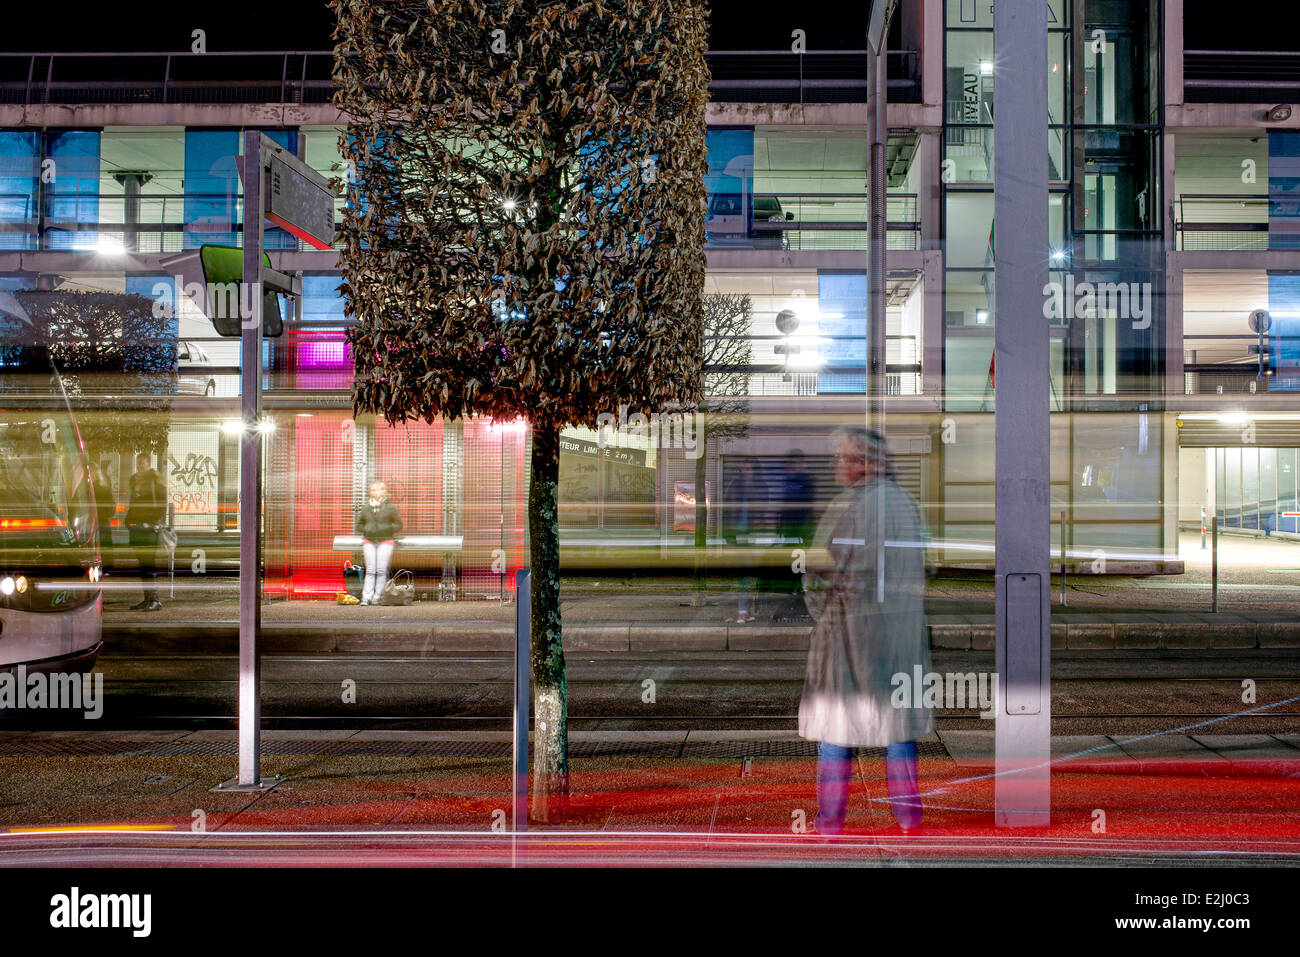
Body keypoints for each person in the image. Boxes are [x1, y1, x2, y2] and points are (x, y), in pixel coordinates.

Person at [799, 426, 933, 835]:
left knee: (838, 731)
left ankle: (830, 821)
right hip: (898, 636)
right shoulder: (907, 506)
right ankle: (908, 817)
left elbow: (820, 575)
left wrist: (826, 617)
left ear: (865, 462)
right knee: (896, 730)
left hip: (849, 635)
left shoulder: (847, 507)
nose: (838, 464)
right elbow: (920, 569)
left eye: (845, 457)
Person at [126, 453, 167, 611]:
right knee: (143, 565)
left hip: (148, 528)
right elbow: (133, 503)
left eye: (142, 463)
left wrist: (151, 521)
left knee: (149, 564)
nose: (140, 466)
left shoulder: (154, 481)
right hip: (137, 528)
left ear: (149, 464)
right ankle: (147, 598)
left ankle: (155, 599)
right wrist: (129, 521)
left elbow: (161, 504)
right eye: (138, 463)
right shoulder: (135, 481)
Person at [355, 479, 402, 606]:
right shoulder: (366, 509)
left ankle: (377, 597)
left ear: (385, 491)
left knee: (381, 570)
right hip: (369, 541)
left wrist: (386, 530)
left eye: (380, 489)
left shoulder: (390, 508)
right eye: (374, 489)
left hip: (386, 541)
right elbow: (359, 525)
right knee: (370, 570)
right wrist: (368, 530)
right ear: (370, 492)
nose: (377, 492)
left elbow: (399, 524)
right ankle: (366, 598)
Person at [90, 463, 116, 572]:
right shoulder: (103, 488)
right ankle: (105, 568)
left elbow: (111, 508)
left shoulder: (100, 489)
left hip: (98, 522)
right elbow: (111, 508)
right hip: (99, 522)